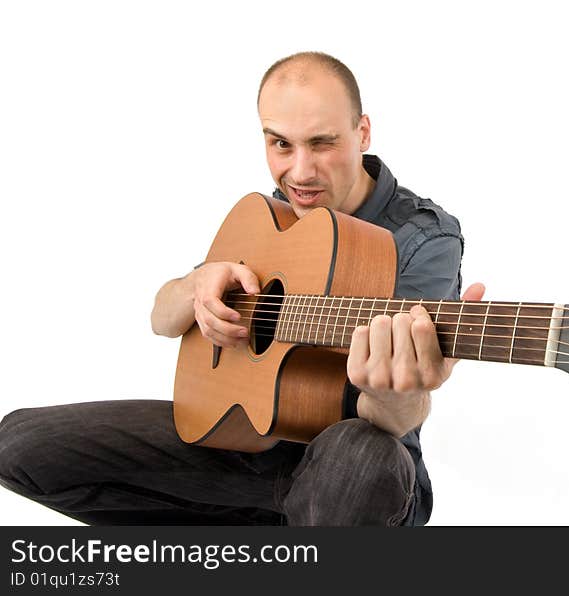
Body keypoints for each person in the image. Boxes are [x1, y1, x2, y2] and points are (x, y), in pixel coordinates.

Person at [0, 51, 484, 526]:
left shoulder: (423, 237)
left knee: (361, 456)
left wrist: (399, 393)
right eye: (280, 144)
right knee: (17, 443)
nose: (300, 172)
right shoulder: (272, 214)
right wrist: (197, 288)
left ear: (362, 133)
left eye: (322, 143)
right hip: (242, 450)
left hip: (352, 481)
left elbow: (396, 421)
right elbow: (160, 318)